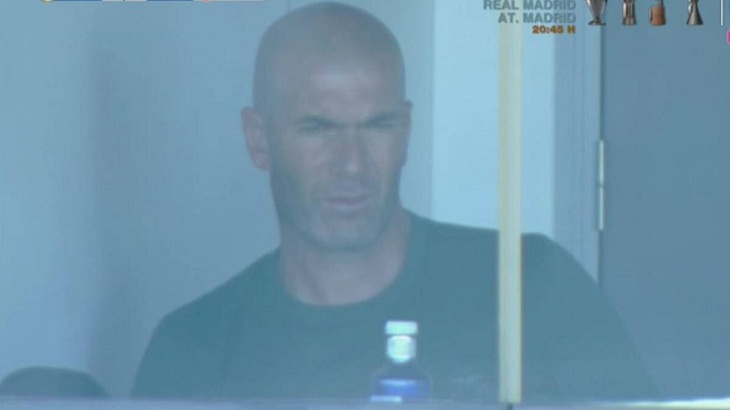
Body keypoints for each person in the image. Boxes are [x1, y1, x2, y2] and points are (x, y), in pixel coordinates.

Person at [132, 1, 657, 402]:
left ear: (405, 132)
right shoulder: (195, 350)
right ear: (259, 139)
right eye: (318, 129)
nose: (352, 164)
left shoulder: (529, 287)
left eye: (377, 125)